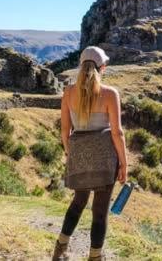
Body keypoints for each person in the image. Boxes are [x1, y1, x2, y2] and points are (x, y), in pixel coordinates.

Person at [52, 46, 128, 261]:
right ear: (102, 67)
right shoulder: (110, 94)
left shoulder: (68, 93)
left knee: (78, 202)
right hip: (105, 159)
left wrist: (72, 154)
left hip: (79, 155)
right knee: (100, 210)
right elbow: (117, 133)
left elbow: (64, 131)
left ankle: (60, 249)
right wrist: (124, 164)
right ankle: (94, 257)